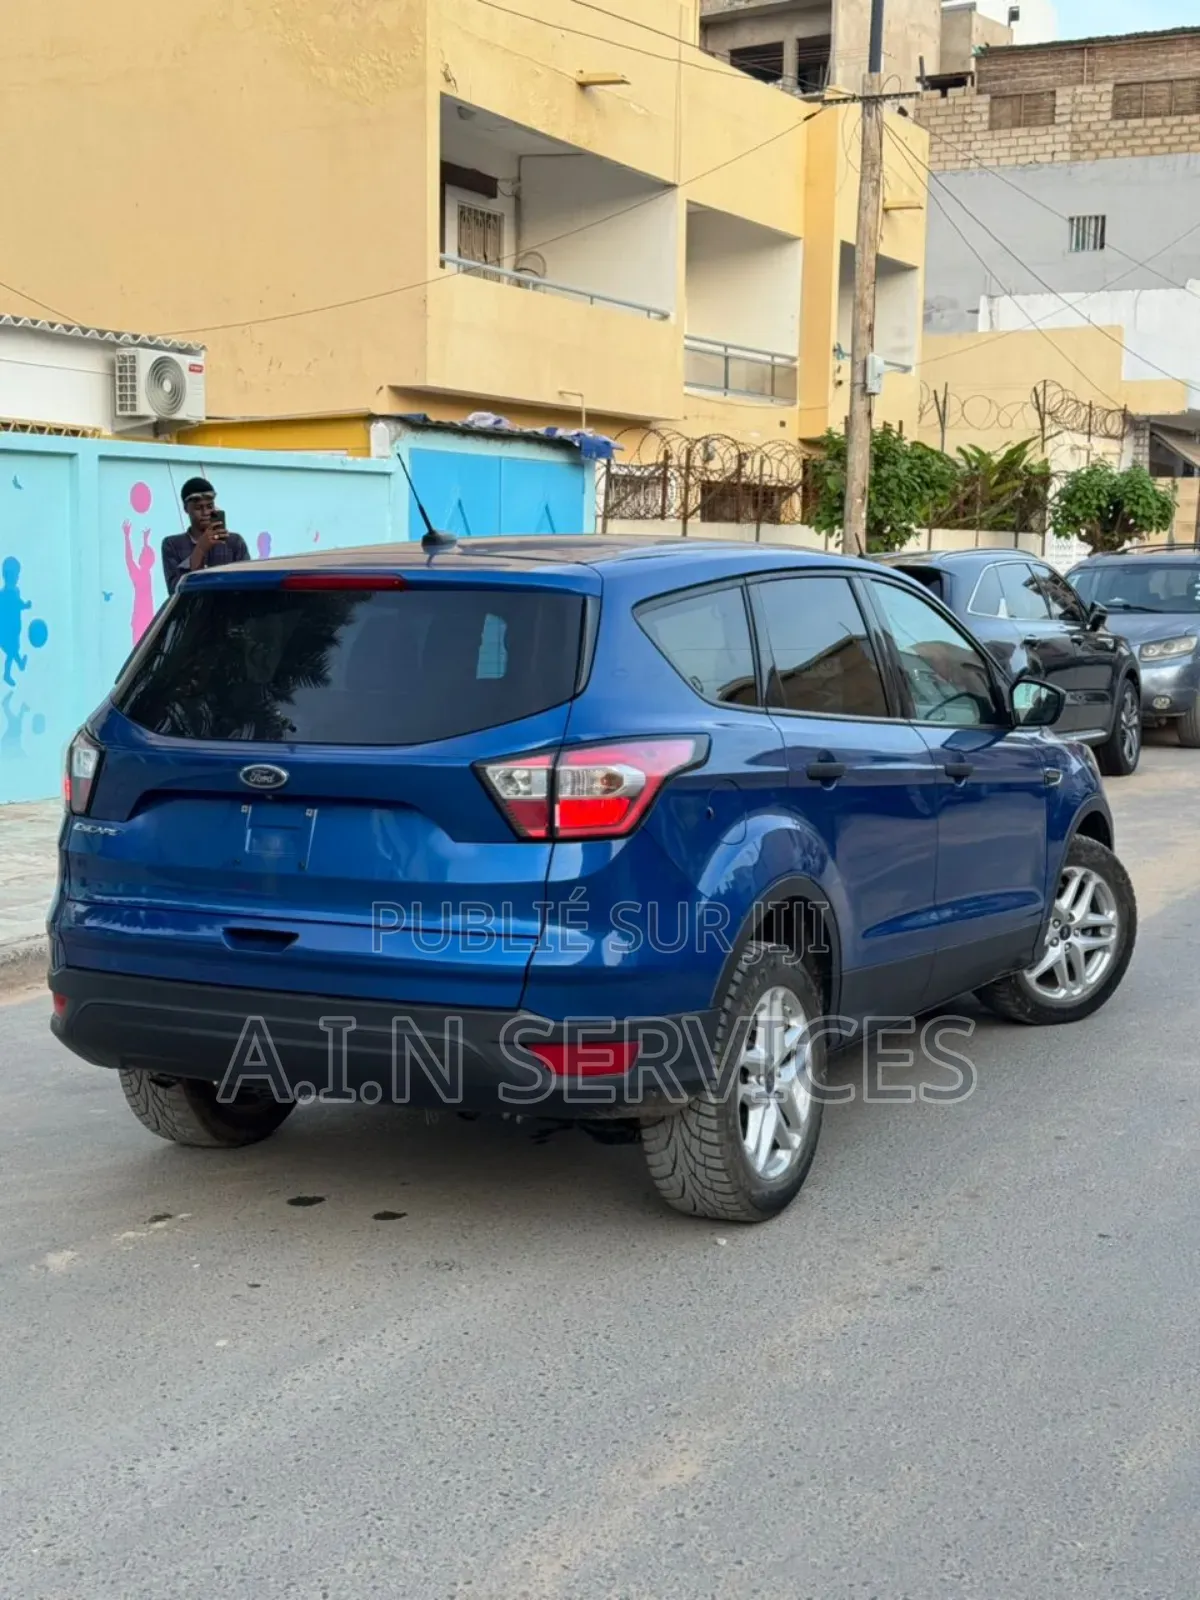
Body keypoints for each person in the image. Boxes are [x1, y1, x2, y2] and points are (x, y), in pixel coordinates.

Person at [161, 478, 250, 596]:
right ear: (186, 509)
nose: (206, 512)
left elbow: (248, 583)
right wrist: (200, 549)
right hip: (194, 612)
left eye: (210, 506)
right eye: (198, 508)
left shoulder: (234, 542)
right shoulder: (172, 544)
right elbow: (174, 591)